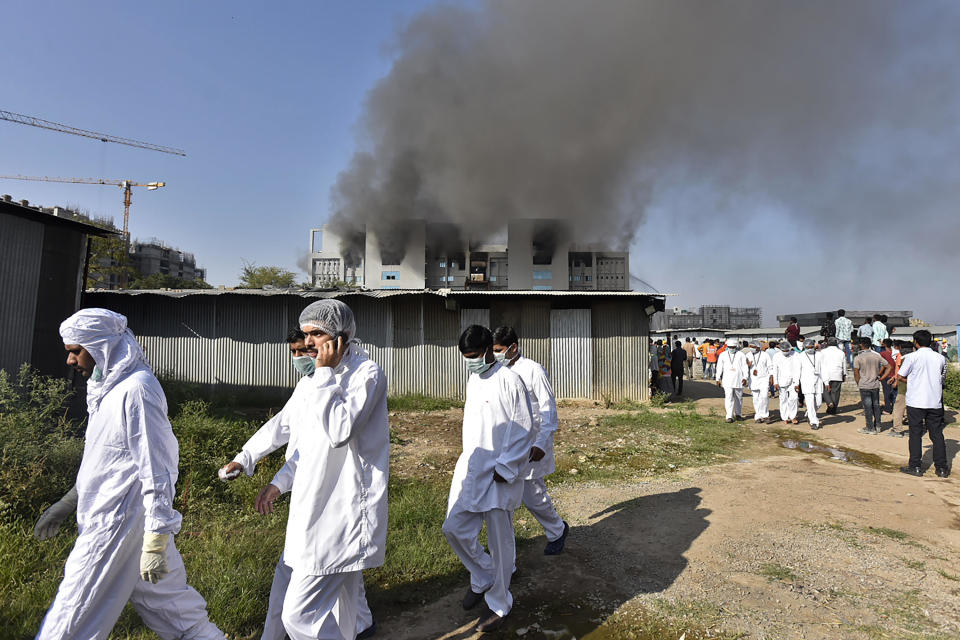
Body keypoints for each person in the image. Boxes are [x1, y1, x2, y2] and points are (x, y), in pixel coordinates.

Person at [34, 309, 224, 640]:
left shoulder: (137, 390)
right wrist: (69, 501)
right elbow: (106, 461)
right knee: (175, 611)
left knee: (70, 619)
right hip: (116, 517)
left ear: (101, 346)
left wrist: (158, 535)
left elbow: (158, 466)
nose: (70, 360)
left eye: (75, 351)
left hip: (116, 525)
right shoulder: (108, 390)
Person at [218, 327, 377, 640]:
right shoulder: (308, 387)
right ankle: (360, 623)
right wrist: (246, 458)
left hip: (336, 497)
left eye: (305, 349)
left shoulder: (361, 377)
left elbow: (336, 435)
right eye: (295, 351)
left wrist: (324, 377)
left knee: (317, 583)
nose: (300, 357)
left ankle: (356, 623)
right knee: (334, 575)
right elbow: (281, 427)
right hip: (308, 489)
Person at [274, 300, 390, 640]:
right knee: (346, 612)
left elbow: (340, 431)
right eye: (306, 333)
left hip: (346, 508)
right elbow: (296, 436)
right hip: (314, 502)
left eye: (317, 334)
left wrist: (324, 372)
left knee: (297, 616)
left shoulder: (367, 374)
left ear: (343, 337)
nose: (309, 342)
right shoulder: (313, 379)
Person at [444, 325, 536, 632]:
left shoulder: (510, 380)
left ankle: (500, 602)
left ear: (488, 350)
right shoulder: (474, 379)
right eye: (465, 357)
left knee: (500, 541)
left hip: (499, 472)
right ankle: (484, 576)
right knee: (454, 528)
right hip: (472, 466)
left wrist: (506, 468)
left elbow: (524, 428)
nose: (470, 361)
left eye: (474, 355)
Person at [491, 326, 569, 556]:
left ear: (513, 347)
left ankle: (557, 530)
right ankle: (506, 550)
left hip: (532, 445)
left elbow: (547, 409)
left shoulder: (534, 370)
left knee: (533, 495)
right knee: (503, 496)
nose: (496, 354)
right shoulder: (497, 372)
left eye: (499, 350)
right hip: (506, 445)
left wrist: (541, 443)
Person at [898, 330, 949, 477]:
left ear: (915, 342)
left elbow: (901, 376)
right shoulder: (940, 358)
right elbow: (941, 377)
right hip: (934, 401)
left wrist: (913, 380)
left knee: (915, 434)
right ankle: (941, 468)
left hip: (916, 401)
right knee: (937, 434)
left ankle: (915, 466)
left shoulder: (911, 357)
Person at [854, 336, 890, 435]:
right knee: (876, 406)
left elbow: (856, 373)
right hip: (875, 384)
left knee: (868, 407)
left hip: (864, 385)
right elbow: (888, 367)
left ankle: (870, 428)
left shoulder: (858, 357)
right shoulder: (877, 355)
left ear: (861, 345)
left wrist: (859, 383)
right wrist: (881, 377)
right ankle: (877, 425)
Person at [715, 338, 748, 423]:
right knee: (729, 398)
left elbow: (745, 367)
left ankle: (738, 414)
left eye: (733, 347)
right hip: (727, 380)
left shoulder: (741, 355)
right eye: (730, 347)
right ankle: (729, 416)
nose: (732, 349)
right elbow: (719, 367)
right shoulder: (723, 355)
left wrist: (745, 377)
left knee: (739, 398)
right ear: (727, 346)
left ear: (736, 347)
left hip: (739, 380)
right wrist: (718, 378)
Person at [796, 339, 824, 430]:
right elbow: (797, 371)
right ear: (804, 347)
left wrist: (826, 382)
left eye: (811, 347)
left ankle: (809, 413)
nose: (809, 349)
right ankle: (813, 422)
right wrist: (796, 383)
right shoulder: (800, 356)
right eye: (807, 347)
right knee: (810, 401)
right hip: (806, 382)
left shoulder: (819, 355)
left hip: (818, 381)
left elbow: (824, 368)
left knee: (819, 403)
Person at [745, 340, 774, 423]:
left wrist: (771, 377)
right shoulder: (748, 355)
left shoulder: (765, 355)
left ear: (758, 347)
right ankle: (758, 416)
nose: (751, 348)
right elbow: (744, 368)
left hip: (764, 378)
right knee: (756, 398)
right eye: (750, 346)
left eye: (753, 347)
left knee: (764, 397)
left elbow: (770, 367)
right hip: (753, 379)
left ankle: (765, 415)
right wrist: (748, 366)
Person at [773, 341, 799, 424]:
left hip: (793, 381)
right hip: (781, 381)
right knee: (783, 399)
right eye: (783, 351)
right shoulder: (776, 356)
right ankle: (784, 417)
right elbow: (775, 370)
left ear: (790, 349)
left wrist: (797, 383)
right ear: (780, 349)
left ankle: (793, 416)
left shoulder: (795, 355)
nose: (785, 352)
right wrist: (775, 382)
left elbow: (797, 369)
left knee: (794, 398)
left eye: (786, 350)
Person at [820, 337, 846, 415]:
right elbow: (843, 364)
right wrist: (844, 374)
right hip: (837, 374)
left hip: (825, 374)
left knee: (824, 390)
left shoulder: (823, 352)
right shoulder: (841, 352)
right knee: (835, 392)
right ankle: (833, 409)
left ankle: (829, 402)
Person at [879, 339, 898, 415]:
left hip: (886, 375)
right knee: (894, 393)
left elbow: (883, 365)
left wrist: (880, 374)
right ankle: (894, 408)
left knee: (886, 393)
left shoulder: (883, 354)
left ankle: (887, 409)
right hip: (894, 375)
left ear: (884, 345)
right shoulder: (895, 353)